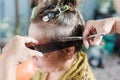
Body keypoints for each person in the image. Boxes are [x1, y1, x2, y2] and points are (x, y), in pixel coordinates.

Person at [0, 0, 96, 80]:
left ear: (68, 51)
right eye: (30, 45)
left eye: (38, 49)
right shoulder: (48, 67)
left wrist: (8, 62)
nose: (32, 55)